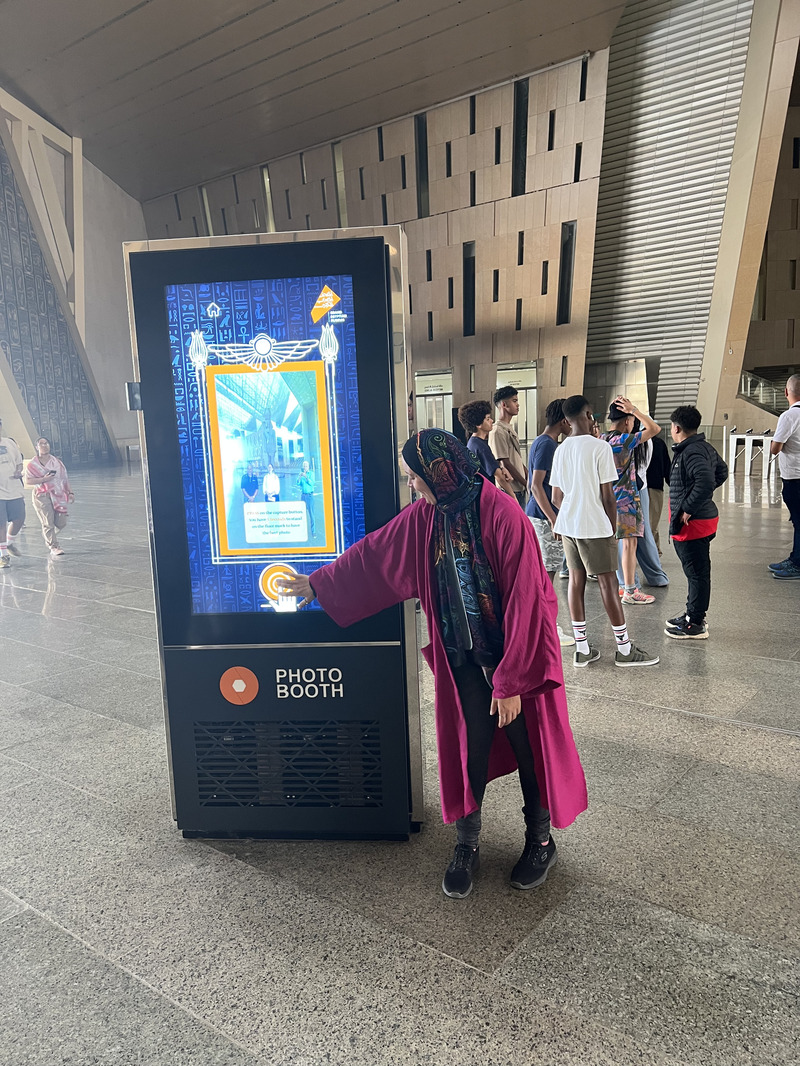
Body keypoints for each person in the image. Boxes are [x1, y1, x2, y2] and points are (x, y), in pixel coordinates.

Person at [278, 429, 588, 899]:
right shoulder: (429, 514)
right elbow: (376, 554)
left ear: (437, 473)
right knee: (470, 748)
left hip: (515, 664)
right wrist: (318, 584)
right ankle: (466, 844)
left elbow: (530, 602)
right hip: (462, 657)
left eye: (414, 477)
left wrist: (508, 683)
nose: (412, 486)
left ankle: (540, 841)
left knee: (530, 752)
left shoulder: (503, 515)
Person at [550, 395, 659, 668]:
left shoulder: (560, 450)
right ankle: (624, 650)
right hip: (595, 525)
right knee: (610, 583)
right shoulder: (599, 447)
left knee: (575, 582)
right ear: (588, 416)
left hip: (569, 525)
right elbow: (608, 497)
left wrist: (570, 514)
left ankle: (582, 648)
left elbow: (555, 496)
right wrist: (610, 529)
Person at [665, 406, 728, 639]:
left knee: (697, 572)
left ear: (677, 427)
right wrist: (698, 498)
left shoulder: (691, 452)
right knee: (696, 570)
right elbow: (722, 471)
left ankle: (696, 622)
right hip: (703, 519)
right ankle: (692, 613)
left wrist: (690, 507)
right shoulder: (703, 447)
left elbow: (706, 479)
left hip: (695, 524)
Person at [602, 397, 661, 606]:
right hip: (626, 500)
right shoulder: (625, 440)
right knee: (629, 545)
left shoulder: (601, 439)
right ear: (627, 420)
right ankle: (630, 590)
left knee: (616, 544)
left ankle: (621, 586)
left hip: (607, 500)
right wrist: (635, 410)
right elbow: (654, 428)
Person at [526, 399, 575, 648]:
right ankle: (548, 627)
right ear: (564, 420)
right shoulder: (547, 445)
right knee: (548, 574)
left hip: (541, 515)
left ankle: (543, 625)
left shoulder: (542, 441)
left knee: (546, 572)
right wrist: (554, 519)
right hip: (544, 517)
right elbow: (536, 485)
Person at [768, 374, 800, 580]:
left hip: (794, 477)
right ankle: (795, 557)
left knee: (799, 521)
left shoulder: (789, 417)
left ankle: (797, 563)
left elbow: (775, 448)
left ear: (786, 392)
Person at [25, 437, 74, 557]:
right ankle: (54, 546)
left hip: (58, 494)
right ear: (37, 447)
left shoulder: (57, 462)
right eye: (41, 444)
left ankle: (50, 533)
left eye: (46, 443)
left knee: (61, 522)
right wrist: (43, 479)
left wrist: (70, 492)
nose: (44, 445)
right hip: (41, 495)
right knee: (47, 522)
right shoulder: (32, 465)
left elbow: (64, 478)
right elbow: (28, 481)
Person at [458, 400, 512, 489]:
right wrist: (512, 497)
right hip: (485, 492)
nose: (491, 421)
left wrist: (502, 468)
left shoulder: (473, 442)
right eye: (488, 418)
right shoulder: (480, 446)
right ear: (478, 424)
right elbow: (499, 476)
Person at [489, 386, 527, 506]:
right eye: (514, 401)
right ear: (504, 405)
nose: (518, 405)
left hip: (519, 487)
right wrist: (525, 483)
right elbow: (504, 462)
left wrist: (527, 478)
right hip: (510, 489)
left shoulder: (509, 427)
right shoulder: (497, 430)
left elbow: (516, 459)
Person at [0, 416, 25, 568]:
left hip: (14, 489)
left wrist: (18, 471)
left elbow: (19, 463)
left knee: (20, 518)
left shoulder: (9, 443)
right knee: (1, 523)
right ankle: (3, 555)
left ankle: (9, 542)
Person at [646, 434, 671, 553]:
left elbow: (667, 467)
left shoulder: (658, 443)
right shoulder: (658, 443)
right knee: (652, 522)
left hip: (653, 487)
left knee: (652, 522)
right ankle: (653, 551)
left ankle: (653, 551)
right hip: (652, 486)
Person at [296, 461, 316, 535]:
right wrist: (299, 477)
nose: (305, 467)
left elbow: (312, 483)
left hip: (309, 496)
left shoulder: (311, 474)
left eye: (306, 466)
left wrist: (306, 477)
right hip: (303, 496)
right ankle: (303, 531)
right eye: (304, 466)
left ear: (308, 467)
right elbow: (298, 483)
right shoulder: (301, 474)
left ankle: (313, 532)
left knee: (311, 514)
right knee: (303, 514)